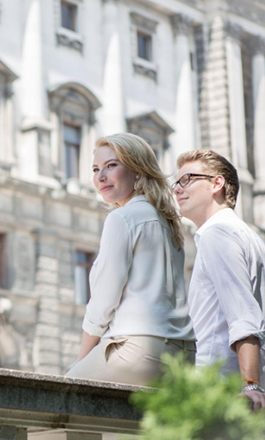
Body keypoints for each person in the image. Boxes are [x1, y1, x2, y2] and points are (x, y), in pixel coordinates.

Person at [66, 133, 196, 385]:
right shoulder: (170, 224)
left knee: (58, 397)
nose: (100, 176)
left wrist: (82, 360)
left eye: (111, 165)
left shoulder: (122, 218)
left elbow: (103, 301)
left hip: (138, 349)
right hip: (184, 355)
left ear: (138, 171)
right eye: (95, 169)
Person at [174, 150, 265, 410]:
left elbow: (243, 315)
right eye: (176, 183)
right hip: (252, 400)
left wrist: (249, 384)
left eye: (187, 180)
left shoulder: (216, 234)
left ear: (217, 184)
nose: (177, 189)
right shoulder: (256, 242)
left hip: (218, 393)